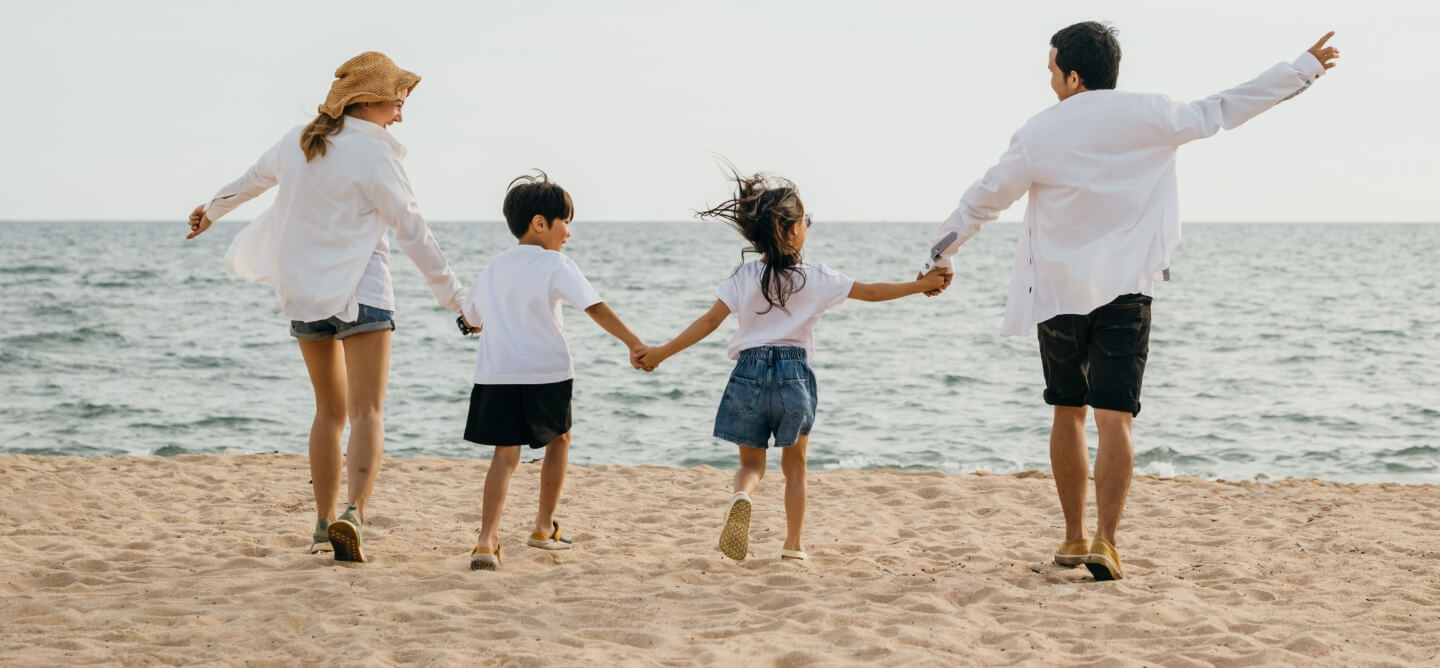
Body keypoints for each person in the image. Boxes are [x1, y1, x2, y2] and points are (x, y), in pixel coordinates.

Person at [919, 23, 1341, 580]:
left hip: (1058, 293)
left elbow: (983, 199)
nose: (1049, 81)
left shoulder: (1039, 132)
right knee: (1116, 420)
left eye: (1051, 71)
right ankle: (1105, 542)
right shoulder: (1154, 114)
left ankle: (1072, 538)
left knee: (1067, 413)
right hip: (1126, 290)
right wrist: (1301, 69)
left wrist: (940, 254)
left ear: (1073, 75)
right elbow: (1226, 108)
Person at [186, 52, 473, 563]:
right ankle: (354, 515)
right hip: (361, 293)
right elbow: (414, 233)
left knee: (328, 412)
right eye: (396, 103)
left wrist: (210, 212)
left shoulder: (300, 141)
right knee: (367, 412)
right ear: (367, 102)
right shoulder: (377, 157)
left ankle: (321, 526)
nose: (401, 114)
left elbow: (250, 180)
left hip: (304, 295)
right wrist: (458, 300)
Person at [638, 168, 948, 562]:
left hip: (747, 372)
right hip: (793, 374)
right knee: (796, 465)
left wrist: (661, 352)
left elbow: (709, 322)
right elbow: (871, 292)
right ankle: (793, 545)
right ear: (793, 231)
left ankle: (742, 495)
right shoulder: (816, 277)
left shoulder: (743, 274)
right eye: (807, 220)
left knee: (751, 463)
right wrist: (920, 285)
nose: (808, 226)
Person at [463, 172, 648, 571]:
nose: (569, 232)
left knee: (504, 455)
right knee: (560, 439)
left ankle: (486, 540)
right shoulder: (556, 264)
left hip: (497, 374)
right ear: (540, 223)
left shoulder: (494, 266)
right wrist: (633, 342)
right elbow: (594, 306)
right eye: (564, 221)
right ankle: (544, 527)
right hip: (546, 371)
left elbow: (470, 316)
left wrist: (476, 320)